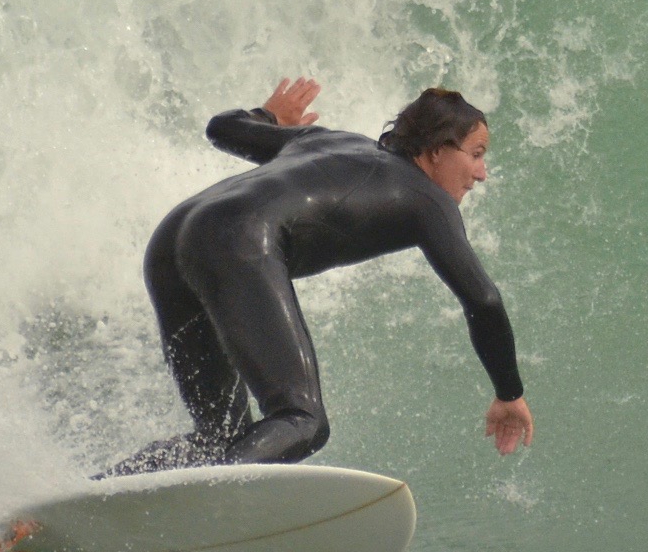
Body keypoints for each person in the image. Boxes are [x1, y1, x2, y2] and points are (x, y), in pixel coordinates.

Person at [104, 78, 534, 474]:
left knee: (222, 438)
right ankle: (199, 501)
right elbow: (483, 301)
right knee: (302, 420)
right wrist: (509, 394)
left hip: (172, 238)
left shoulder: (328, 139)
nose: (482, 173)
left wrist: (269, 116)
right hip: (240, 241)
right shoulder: (428, 200)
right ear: (438, 150)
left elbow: (222, 128)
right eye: (476, 154)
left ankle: (98, 495)